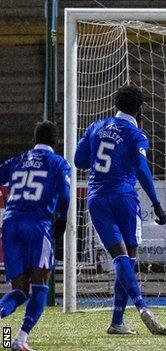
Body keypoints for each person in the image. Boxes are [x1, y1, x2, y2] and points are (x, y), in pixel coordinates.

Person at [74, 85, 166, 335]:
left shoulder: (96, 126)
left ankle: (117, 322)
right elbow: (142, 169)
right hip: (123, 198)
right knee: (129, 258)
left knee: (119, 258)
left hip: (96, 199)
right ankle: (141, 308)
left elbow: (78, 160)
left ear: (116, 105)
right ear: (139, 109)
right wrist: (156, 203)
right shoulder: (136, 135)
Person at [0, 121, 70, 351]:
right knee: (40, 286)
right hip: (37, 225)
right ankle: (19, 340)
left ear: (34, 140)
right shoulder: (58, 163)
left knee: (19, 291)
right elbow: (66, 196)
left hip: (10, 224)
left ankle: (6, 336)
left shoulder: (17, 160)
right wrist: (60, 221)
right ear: (56, 142)